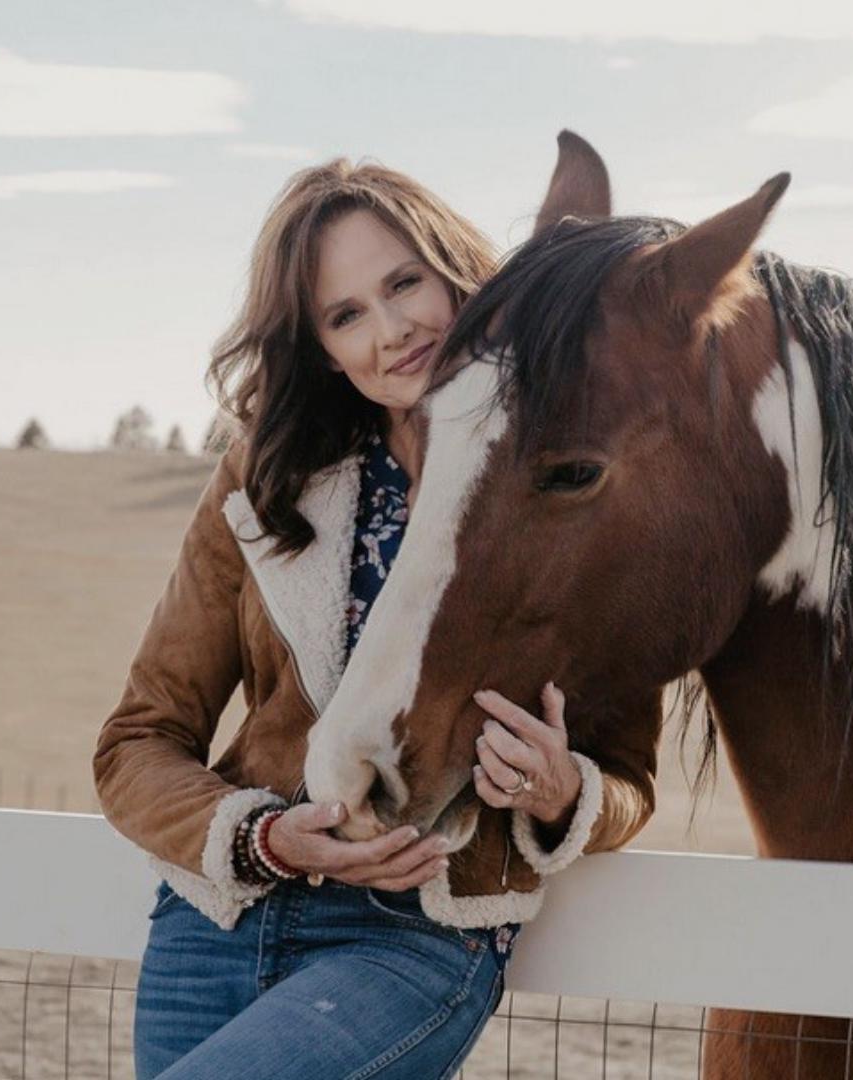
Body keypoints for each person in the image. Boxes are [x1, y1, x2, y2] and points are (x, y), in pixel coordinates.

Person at [93, 158, 660, 1078]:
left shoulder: (571, 478)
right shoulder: (264, 482)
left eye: (405, 284)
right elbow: (137, 743)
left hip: (413, 936)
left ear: (454, 273)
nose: (391, 331)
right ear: (320, 349)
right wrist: (261, 836)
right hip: (218, 922)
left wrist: (560, 793)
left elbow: (628, 778)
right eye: (346, 314)